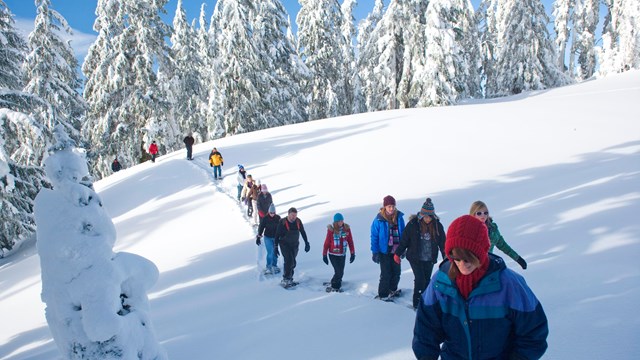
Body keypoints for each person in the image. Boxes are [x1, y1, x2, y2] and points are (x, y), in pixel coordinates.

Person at [413, 215, 548, 360]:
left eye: (468, 258)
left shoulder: (509, 284)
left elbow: (534, 334)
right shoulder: (440, 282)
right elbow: (425, 331)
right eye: (456, 258)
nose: (462, 264)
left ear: (482, 252)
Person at [394, 198, 446, 309]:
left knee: (427, 281)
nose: (427, 219)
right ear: (421, 215)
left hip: (429, 258)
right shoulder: (413, 224)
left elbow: (443, 243)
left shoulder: (437, 226)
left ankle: (426, 302)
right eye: (425, 216)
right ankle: (417, 304)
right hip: (415, 257)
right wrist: (397, 254)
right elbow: (405, 241)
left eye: (430, 216)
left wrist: (446, 257)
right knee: (420, 279)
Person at [470, 200, 527, 269]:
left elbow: (502, 245)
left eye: (485, 213)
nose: (483, 215)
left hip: (488, 264)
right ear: (473, 214)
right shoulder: (469, 229)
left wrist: (517, 258)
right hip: (472, 266)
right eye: (479, 213)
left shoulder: (493, 229)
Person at [370, 195, 406, 300]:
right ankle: (383, 294)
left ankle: (392, 289)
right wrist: (375, 252)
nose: (391, 208)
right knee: (385, 274)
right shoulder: (378, 219)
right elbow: (374, 236)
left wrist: (403, 249)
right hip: (383, 251)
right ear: (385, 206)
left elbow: (403, 234)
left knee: (396, 272)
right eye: (389, 206)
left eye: (393, 206)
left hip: (396, 251)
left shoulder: (399, 218)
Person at [274, 207, 310, 288]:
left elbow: (302, 231)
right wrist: (275, 246)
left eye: (295, 215)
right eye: (292, 215)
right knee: (289, 260)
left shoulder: (298, 221)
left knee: (293, 262)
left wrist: (306, 243)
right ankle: (286, 279)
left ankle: (290, 278)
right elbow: (277, 234)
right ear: (288, 214)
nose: (294, 217)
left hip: (294, 244)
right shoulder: (282, 222)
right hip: (284, 244)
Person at [322, 213, 356, 292]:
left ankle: (334, 281)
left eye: (342, 220)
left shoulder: (346, 229)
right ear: (335, 222)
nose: (341, 222)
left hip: (342, 254)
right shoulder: (331, 230)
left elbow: (350, 241)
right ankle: (335, 287)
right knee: (338, 272)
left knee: (341, 272)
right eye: (339, 221)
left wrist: (352, 253)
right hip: (333, 255)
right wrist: (324, 255)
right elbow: (327, 243)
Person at [256, 203, 281, 275]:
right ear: (269, 212)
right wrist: (258, 236)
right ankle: (268, 267)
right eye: (271, 213)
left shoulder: (278, 218)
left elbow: (281, 228)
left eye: (273, 213)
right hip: (268, 237)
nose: (272, 214)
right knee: (270, 252)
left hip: (276, 238)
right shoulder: (265, 218)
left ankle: (274, 265)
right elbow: (261, 228)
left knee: (275, 252)